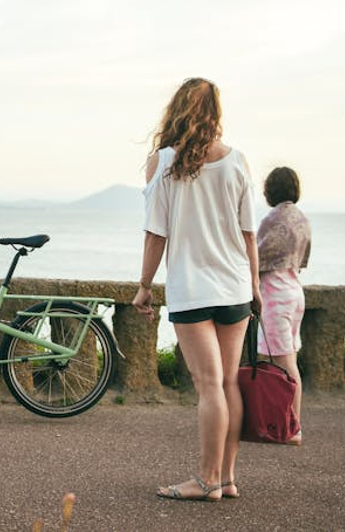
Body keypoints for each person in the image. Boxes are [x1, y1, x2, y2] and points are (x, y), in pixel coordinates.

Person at [132, 77, 260, 501]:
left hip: (193, 287)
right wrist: (255, 285)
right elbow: (248, 234)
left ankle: (206, 481)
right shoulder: (237, 160)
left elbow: (156, 234)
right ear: (215, 113)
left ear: (178, 110)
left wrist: (144, 286)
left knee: (208, 385)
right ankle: (226, 478)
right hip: (236, 286)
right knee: (227, 384)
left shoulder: (163, 162)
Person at [256, 166, 311, 445]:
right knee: (286, 360)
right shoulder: (302, 219)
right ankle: (276, 422)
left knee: (285, 364)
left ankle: (292, 427)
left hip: (275, 295)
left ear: (270, 190)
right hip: (294, 292)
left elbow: (256, 256)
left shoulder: (272, 219)